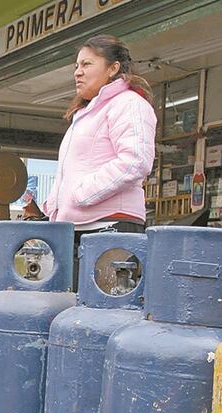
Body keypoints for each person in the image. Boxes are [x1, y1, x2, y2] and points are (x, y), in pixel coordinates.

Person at [42, 35, 157, 285]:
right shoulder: (87, 112)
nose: (78, 72)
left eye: (87, 64)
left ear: (113, 68)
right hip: (77, 229)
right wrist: (54, 206)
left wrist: (82, 194)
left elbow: (136, 160)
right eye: (76, 66)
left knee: (102, 308)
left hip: (110, 228)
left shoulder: (129, 103)